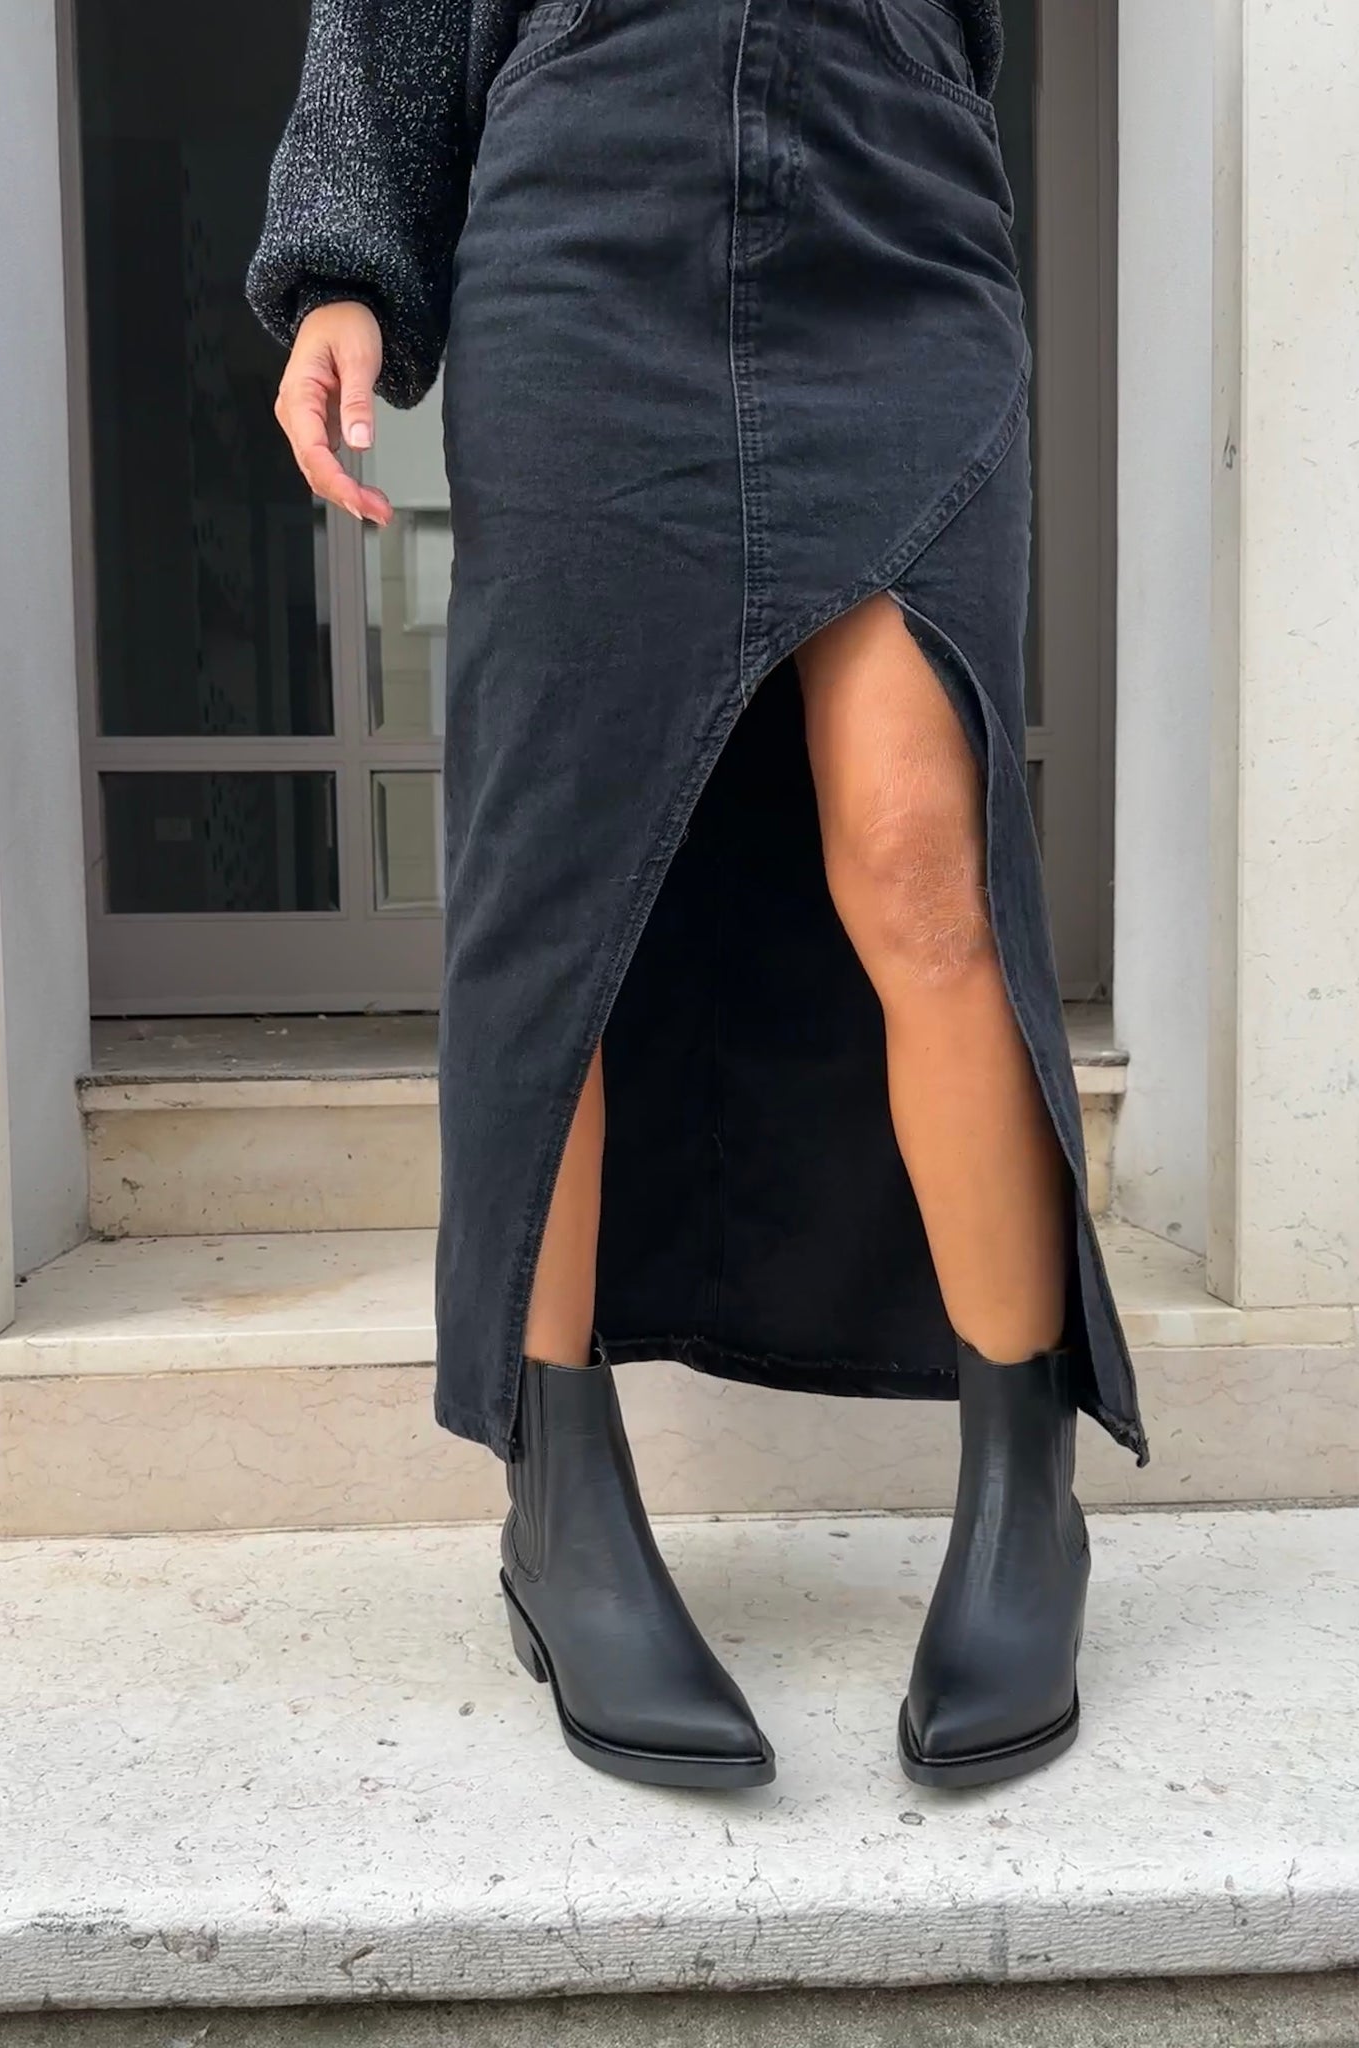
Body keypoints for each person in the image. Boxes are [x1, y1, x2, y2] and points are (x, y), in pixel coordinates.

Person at [248, 0, 1147, 1795]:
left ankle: (1020, 1489)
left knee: (926, 862)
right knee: (562, 883)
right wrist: (346, 261)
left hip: (895, 204)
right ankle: (560, 1499)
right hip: (590, 209)